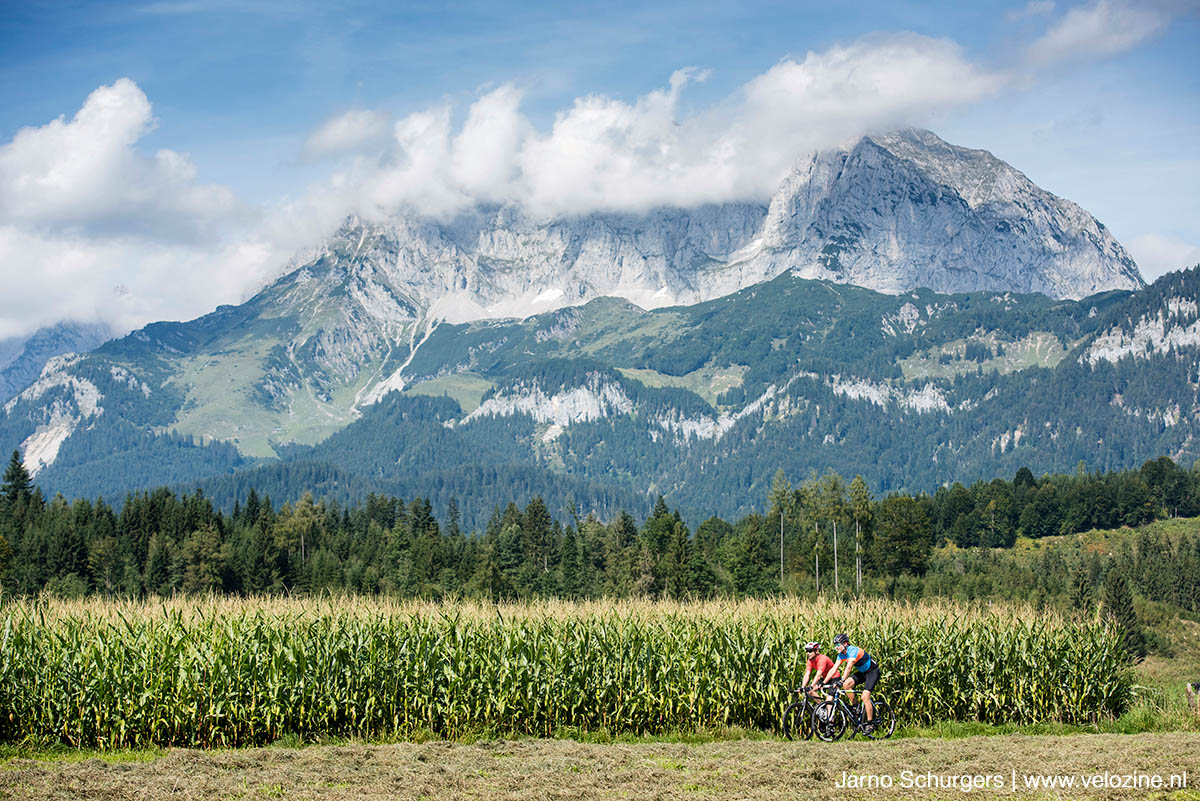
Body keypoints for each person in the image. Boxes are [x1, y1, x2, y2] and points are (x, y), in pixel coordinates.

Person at [821, 632, 880, 730]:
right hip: (863, 672)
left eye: (838, 645)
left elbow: (849, 667)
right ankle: (855, 706)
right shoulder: (841, 655)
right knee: (846, 685)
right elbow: (833, 669)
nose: (836, 647)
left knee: (865, 696)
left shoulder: (853, 650)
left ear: (845, 644)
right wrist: (824, 682)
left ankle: (870, 723)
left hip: (873, 672)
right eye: (835, 645)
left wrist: (842, 680)